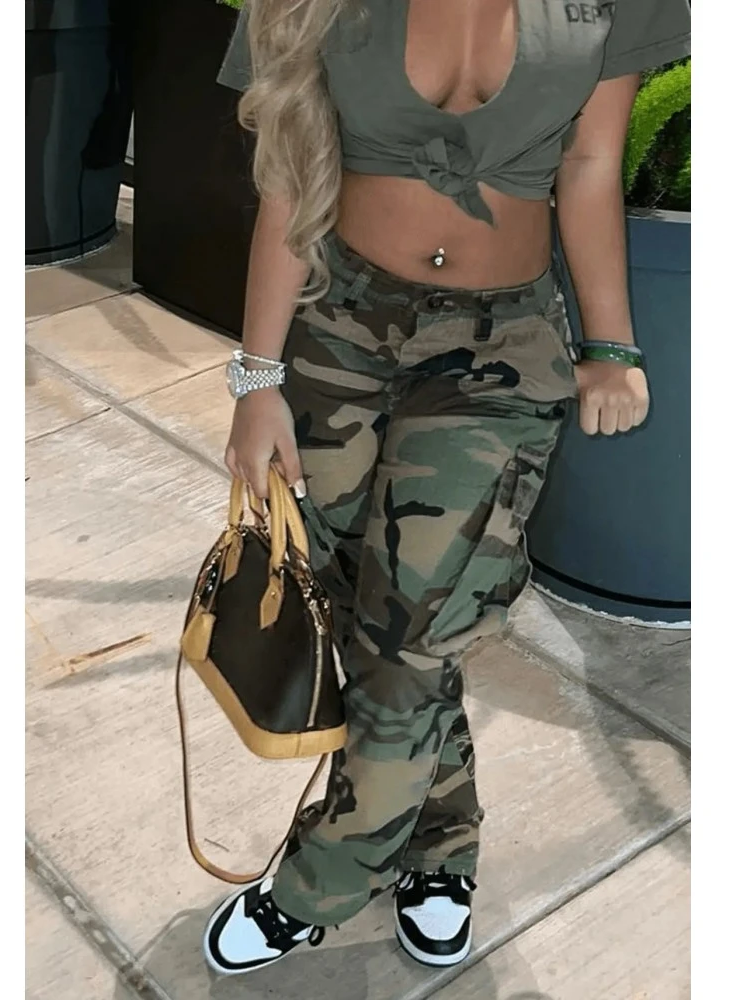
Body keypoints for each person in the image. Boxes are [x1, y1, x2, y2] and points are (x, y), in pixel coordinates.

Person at [203, 0, 691, 976]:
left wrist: (611, 344)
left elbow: (590, 162)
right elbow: (290, 172)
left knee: (415, 625)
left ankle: (322, 880)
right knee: (365, 616)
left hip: (498, 352)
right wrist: (257, 381)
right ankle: (441, 850)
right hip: (338, 329)